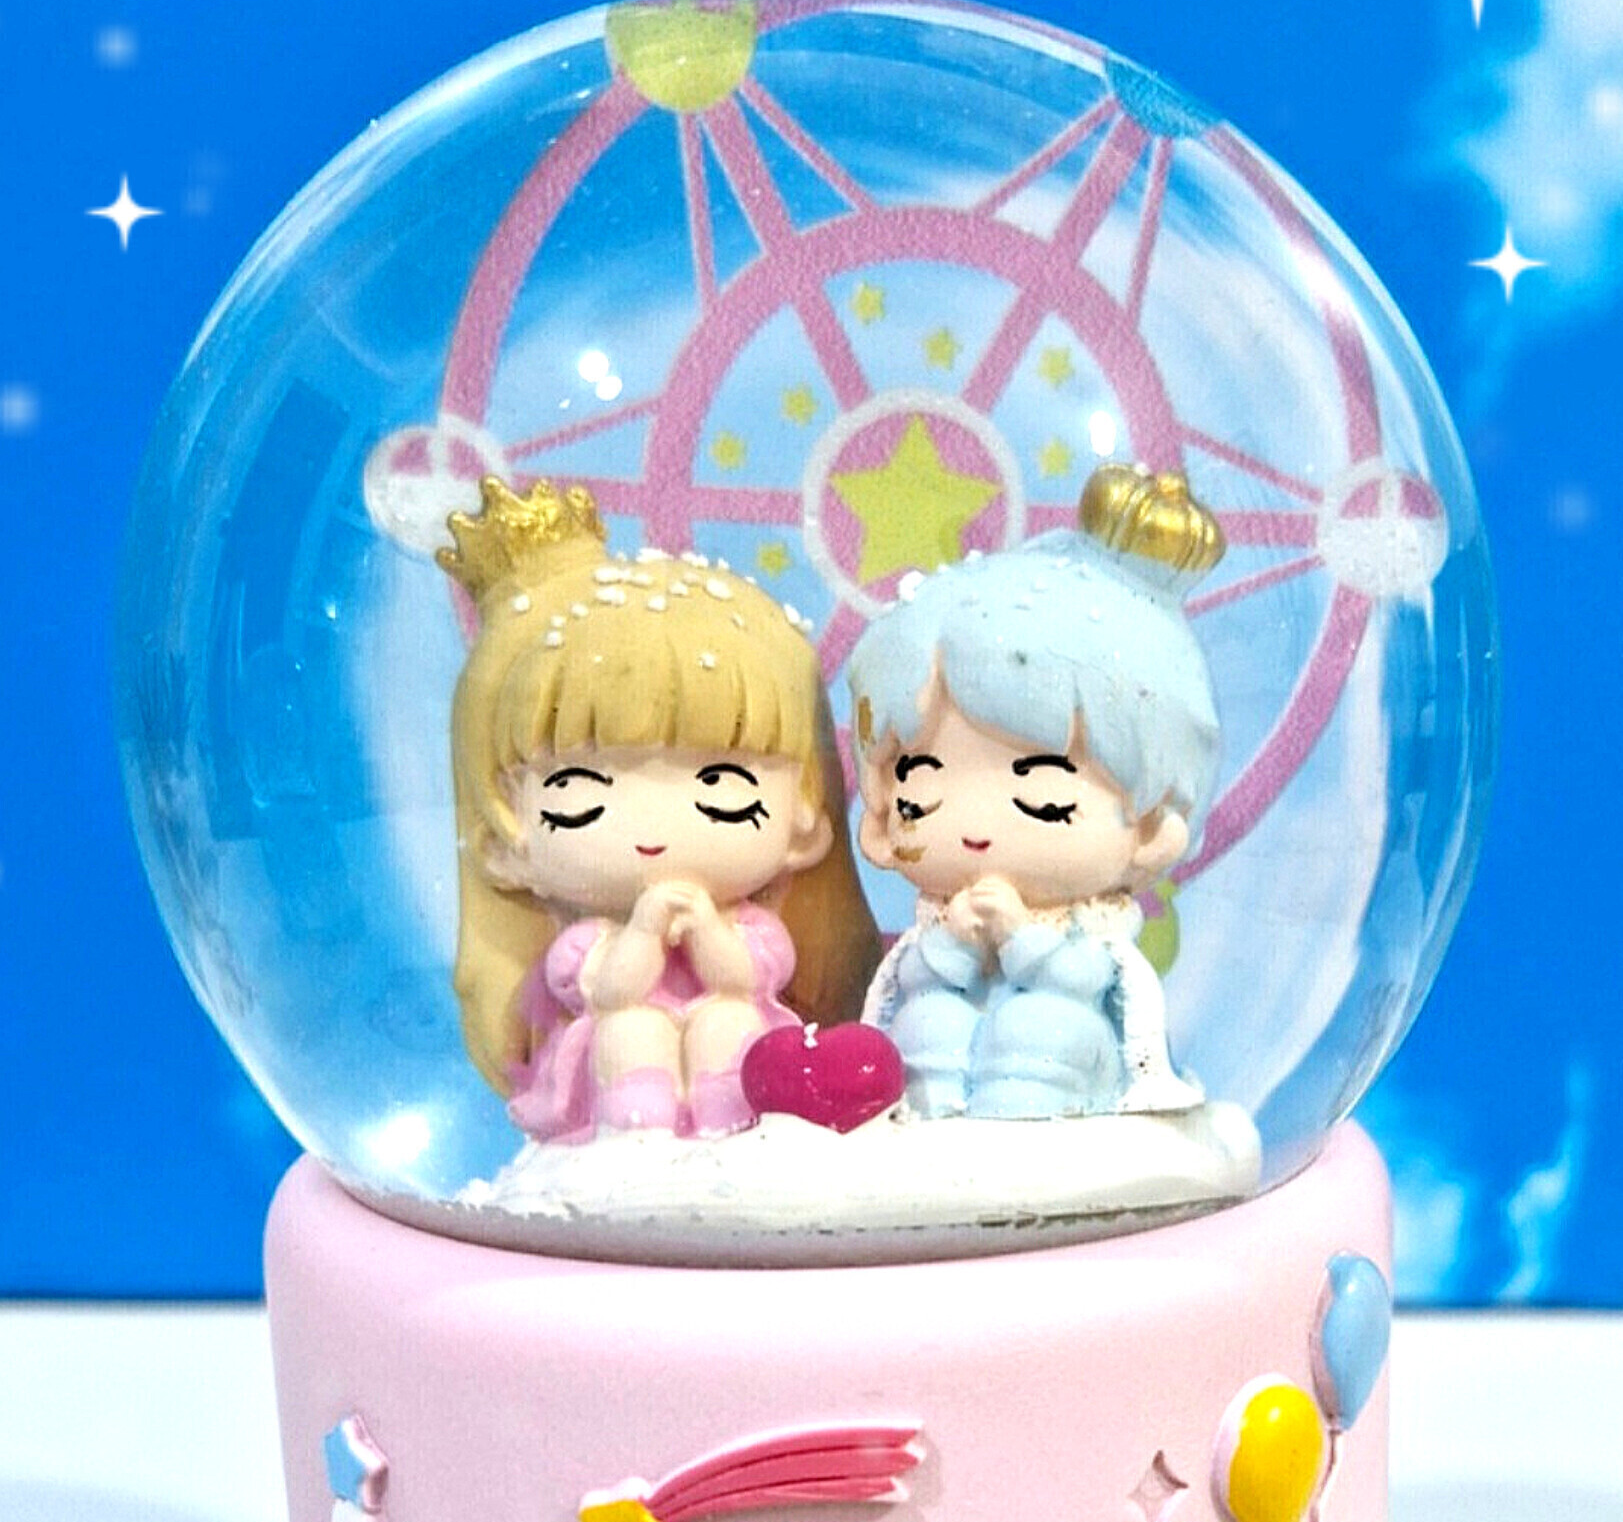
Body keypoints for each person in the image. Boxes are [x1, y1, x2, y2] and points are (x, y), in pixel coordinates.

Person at [441, 477, 877, 1141]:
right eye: (581, 793)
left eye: (722, 786)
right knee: (629, 1027)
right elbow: (612, 991)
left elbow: (739, 980)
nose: (653, 829)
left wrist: (704, 930)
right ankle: (636, 1127)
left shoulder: (751, 930)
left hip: (741, 1058)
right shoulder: (589, 943)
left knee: (729, 1019)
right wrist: (645, 930)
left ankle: (730, 1118)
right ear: (505, 841)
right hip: (614, 1063)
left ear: (803, 824)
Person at [847, 464, 1223, 1121]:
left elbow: (1080, 978)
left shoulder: (1091, 930)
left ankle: (1022, 1122)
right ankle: (931, 1118)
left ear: (1150, 825)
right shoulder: (939, 915)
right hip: (945, 1071)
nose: (975, 826)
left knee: (1045, 1024)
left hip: (1071, 1054)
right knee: (928, 1017)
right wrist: (956, 940)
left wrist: (1020, 935)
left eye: (1045, 799)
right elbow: (916, 977)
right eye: (921, 790)